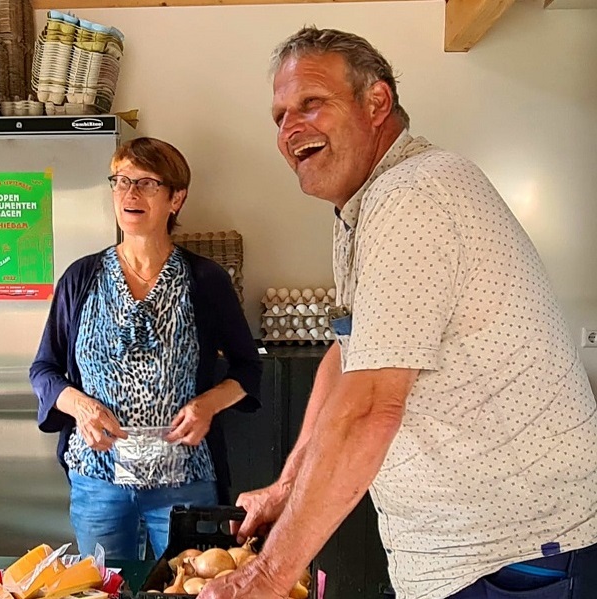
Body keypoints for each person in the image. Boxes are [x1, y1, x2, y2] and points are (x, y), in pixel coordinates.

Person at [202, 27, 597, 599]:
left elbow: (369, 410)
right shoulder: (366, 204)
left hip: (514, 558)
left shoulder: (411, 195)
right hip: (464, 556)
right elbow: (348, 352)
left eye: (312, 103)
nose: (291, 129)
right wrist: (288, 485)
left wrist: (265, 577)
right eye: (280, 115)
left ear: (377, 103)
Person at [29, 137, 262, 561]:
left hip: (185, 483)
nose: (130, 194)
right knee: (102, 588)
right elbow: (44, 370)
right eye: (121, 181)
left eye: (147, 183)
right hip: (97, 481)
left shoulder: (205, 282)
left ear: (177, 198)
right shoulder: (81, 279)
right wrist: (81, 406)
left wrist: (208, 405)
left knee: (186, 586)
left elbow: (247, 369)